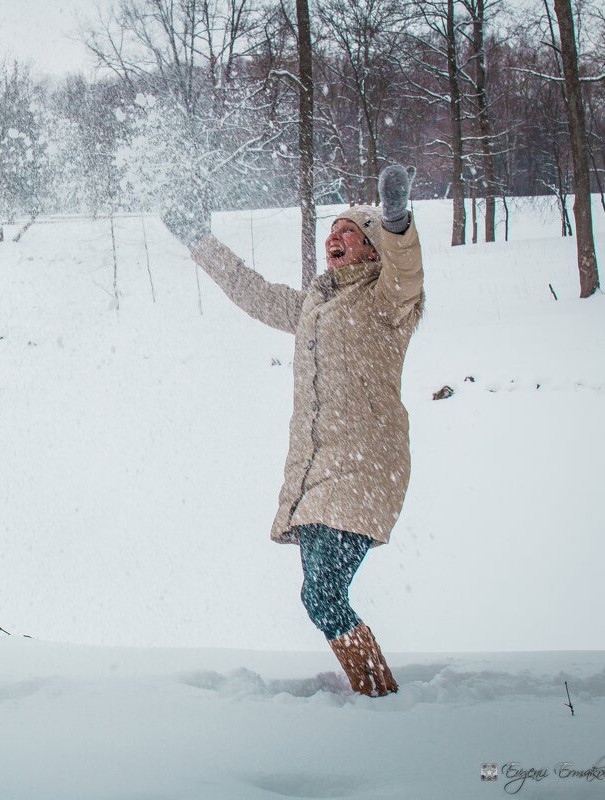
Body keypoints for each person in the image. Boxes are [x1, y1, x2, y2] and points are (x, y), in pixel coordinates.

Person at [163, 166, 423, 697]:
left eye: (349, 230)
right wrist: (199, 238)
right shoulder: (314, 305)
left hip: (365, 468)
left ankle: (378, 693)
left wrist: (397, 222)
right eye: (332, 230)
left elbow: (407, 275)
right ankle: (374, 688)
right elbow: (250, 291)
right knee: (321, 596)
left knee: (322, 596)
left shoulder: (387, 304)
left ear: (372, 249)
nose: (335, 236)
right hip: (317, 473)